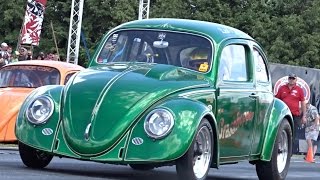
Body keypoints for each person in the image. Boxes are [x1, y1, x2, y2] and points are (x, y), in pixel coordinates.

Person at [275, 73, 307, 154]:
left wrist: (304, 116)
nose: (291, 80)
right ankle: (279, 148)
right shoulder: (282, 88)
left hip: (294, 115)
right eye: (290, 78)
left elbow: (303, 103)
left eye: (293, 78)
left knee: (293, 133)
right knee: (281, 131)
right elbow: (277, 100)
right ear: (288, 79)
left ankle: (289, 152)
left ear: (296, 80)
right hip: (283, 114)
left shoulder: (299, 89)